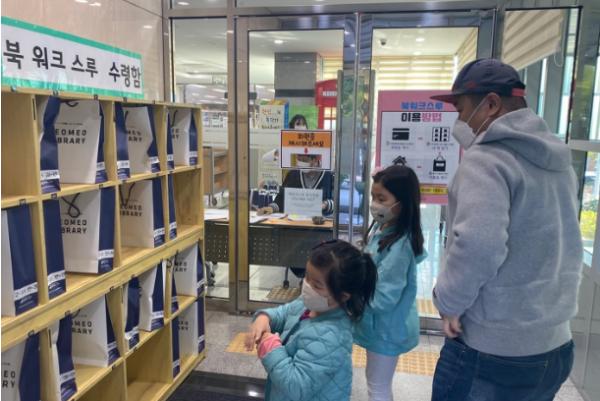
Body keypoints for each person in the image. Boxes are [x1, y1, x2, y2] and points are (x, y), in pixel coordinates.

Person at [429, 58, 583, 400]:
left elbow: (479, 245)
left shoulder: (487, 161)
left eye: (461, 109)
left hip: (493, 352)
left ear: (491, 104)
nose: (459, 121)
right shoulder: (559, 162)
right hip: (555, 345)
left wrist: (448, 301)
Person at [245, 240, 378, 401]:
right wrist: (264, 317)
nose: (307, 286)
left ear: (343, 296)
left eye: (317, 285)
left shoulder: (331, 336)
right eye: (307, 277)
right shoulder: (310, 304)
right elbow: (284, 313)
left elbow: (297, 387)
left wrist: (270, 347)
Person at [354, 163, 427, 401]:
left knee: (378, 387)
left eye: (382, 198)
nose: (375, 204)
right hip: (379, 326)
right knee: (375, 381)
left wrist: (351, 294)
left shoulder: (400, 246)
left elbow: (382, 299)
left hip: (386, 328)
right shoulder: (383, 228)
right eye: (373, 197)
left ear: (402, 203)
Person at [258, 114, 335, 216]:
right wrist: (272, 208)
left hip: (319, 223)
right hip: (294, 222)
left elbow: (335, 202)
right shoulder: (293, 174)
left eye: (304, 159)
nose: (301, 163)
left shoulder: (328, 176)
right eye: (299, 159)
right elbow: (281, 199)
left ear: (315, 159)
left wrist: (325, 205)